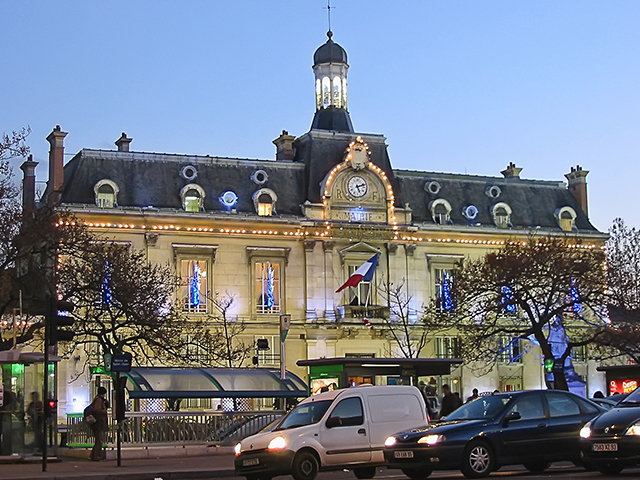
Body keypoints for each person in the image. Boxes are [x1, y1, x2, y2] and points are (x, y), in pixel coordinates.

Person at [89, 387, 108, 461]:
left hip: (97, 423)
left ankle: (92, 456)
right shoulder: (99, 400)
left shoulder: (98, 399)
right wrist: (104, 412)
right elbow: (97, 409)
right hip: (98, 423)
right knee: (99, 441)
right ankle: (97, 457)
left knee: (98, 441)